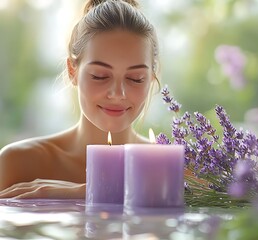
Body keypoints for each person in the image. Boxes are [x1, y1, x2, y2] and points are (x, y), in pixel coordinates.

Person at [0, 0, 161, 199]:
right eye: (100, 76)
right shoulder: (21, 163)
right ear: (72, 71)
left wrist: (87, 192)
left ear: (151, 79)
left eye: (135, 79)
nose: (118, 93)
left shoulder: (177, 169)